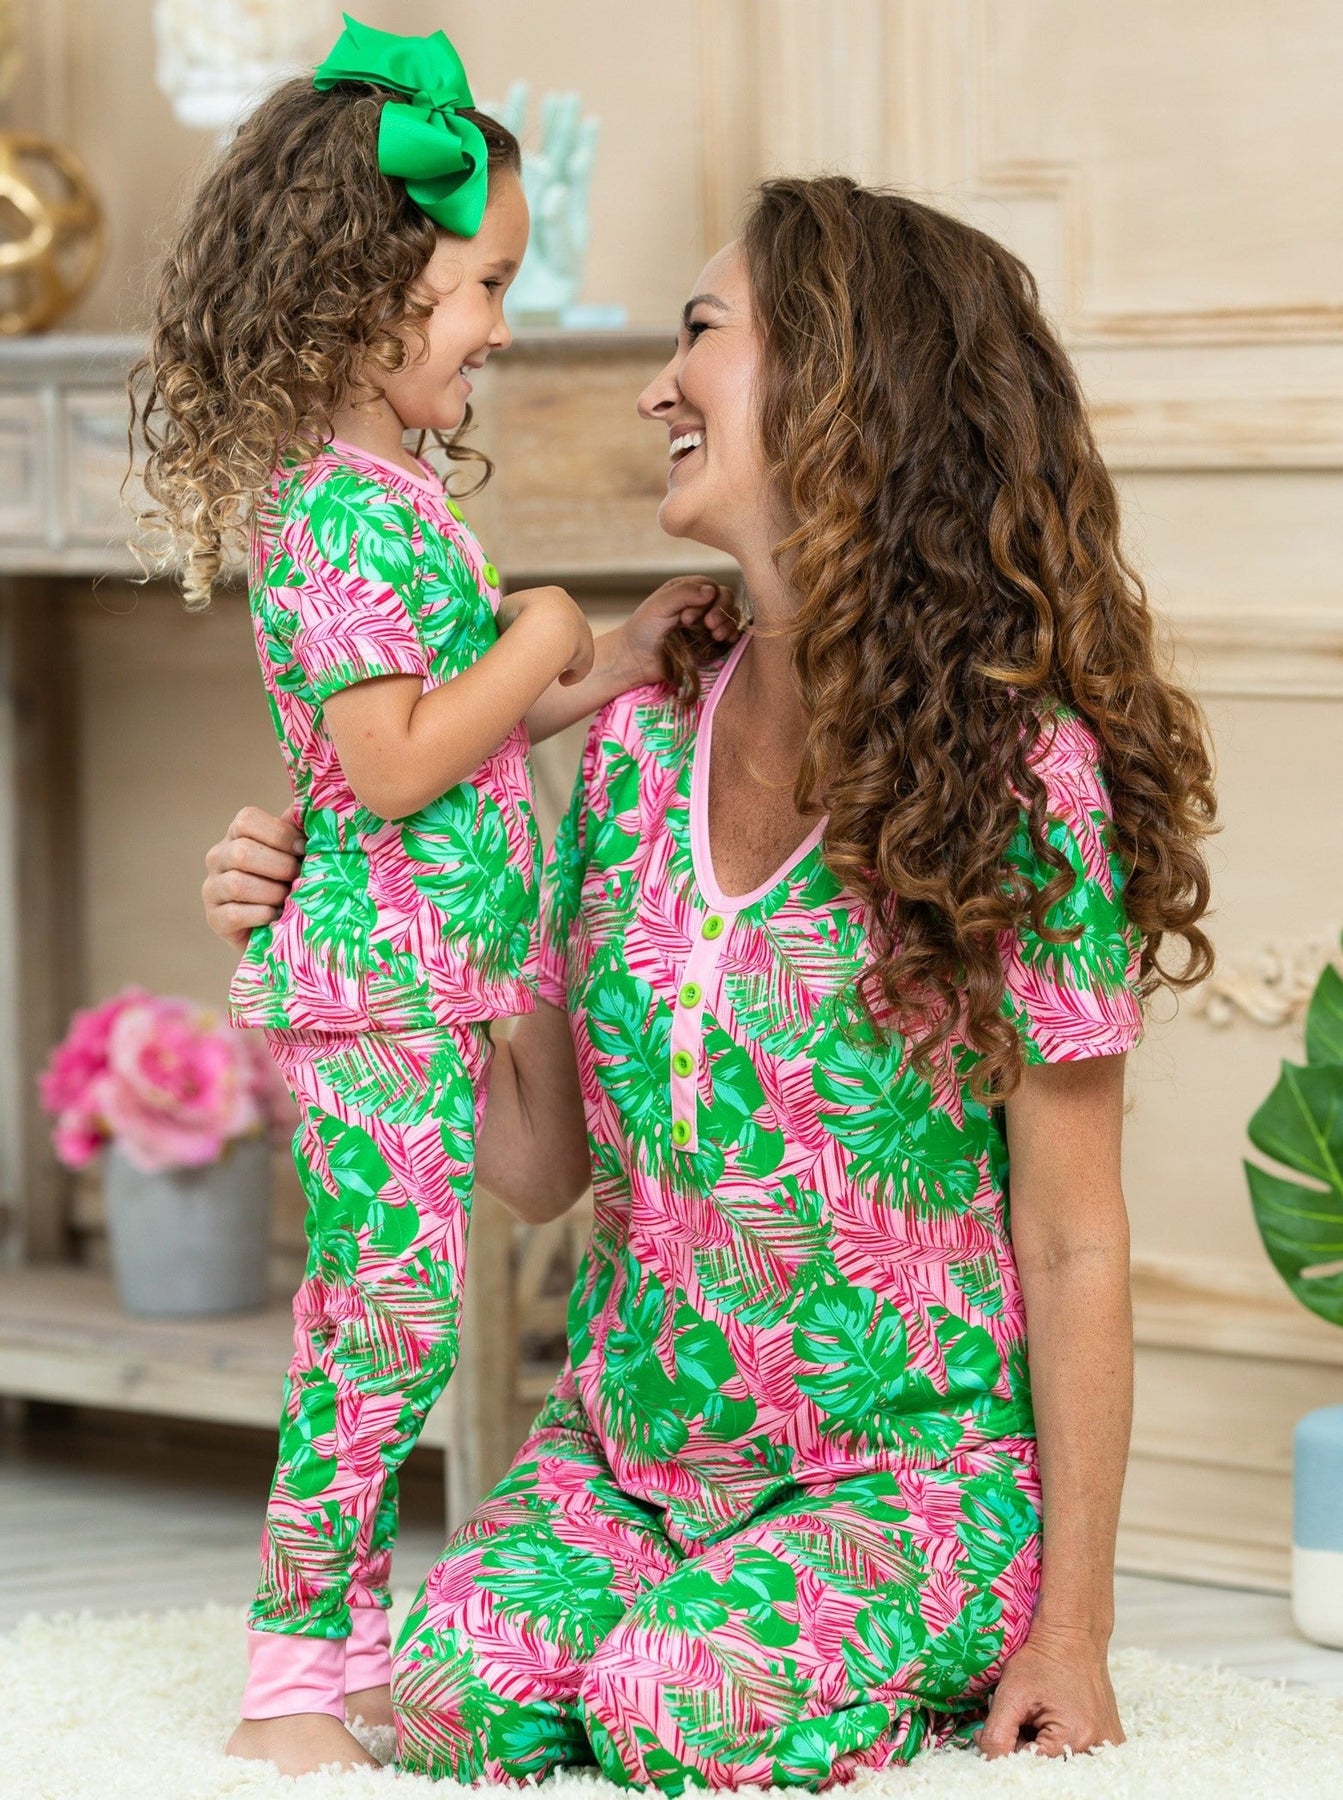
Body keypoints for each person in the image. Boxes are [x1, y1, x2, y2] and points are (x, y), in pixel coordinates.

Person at [203, 175, 1216, 1788]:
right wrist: (354, 930)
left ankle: (899, 1619)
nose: (656, 387)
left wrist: (1074, 1631)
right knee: (445, 1703)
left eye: (700, 334)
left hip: (907, 1482)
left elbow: (1075, 1233)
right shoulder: (637, 734)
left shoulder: (1025, 781)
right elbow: (537, 1172)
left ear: (842, 376)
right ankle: (691, 1609)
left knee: (672, 1707)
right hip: (630, 1459)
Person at [135, 15, 733, 1778]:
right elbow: (395, 764)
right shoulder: (332, 516)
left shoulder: (393, 500)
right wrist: (547, 629)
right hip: (381, 988)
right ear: (360, 303)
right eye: (482, 288)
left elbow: (461, 726)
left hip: (444, 969)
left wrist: (613, 653)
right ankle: (291, 1676)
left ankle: (359, 1640)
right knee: (376, 1332)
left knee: (408, 1311)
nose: (502, 327)